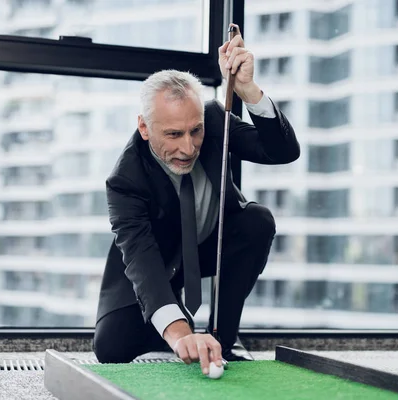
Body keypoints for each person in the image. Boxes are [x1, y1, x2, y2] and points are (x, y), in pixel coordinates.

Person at [93, 24, 300, 376]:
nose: (188, 148)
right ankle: (177, 326)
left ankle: (224, 337)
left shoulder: (214, 120)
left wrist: (248, 90)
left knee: (257, 220)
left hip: (209, 246)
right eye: (173, 134)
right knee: (111, 347)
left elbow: (282, 151)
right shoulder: (124, 181)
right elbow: (142, 260)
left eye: (195, 131)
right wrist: (179, 334)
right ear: (145, 128)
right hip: (156, 262)